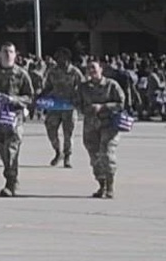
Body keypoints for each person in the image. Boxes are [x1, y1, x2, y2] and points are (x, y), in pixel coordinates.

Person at [0, 43, 36, 197]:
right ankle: (11, 175)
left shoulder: (21, 74)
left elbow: (30, 97)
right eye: (5, 51)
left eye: (11, 52)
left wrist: (14, 100)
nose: (8, 54)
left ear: (15, 55)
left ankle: (10, 183)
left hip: (14, 120)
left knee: (11, 150)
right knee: (3, 151)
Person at [77, 59, 128, 199]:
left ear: (101, 69)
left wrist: (103, 107)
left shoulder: (111, 85)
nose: (91, 71)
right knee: (95, 157)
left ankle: (110, 186)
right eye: (89, 68)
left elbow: (121, 103)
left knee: (106, 154)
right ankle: (101, 184)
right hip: (90, 126)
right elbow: (77, 103)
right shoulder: (83, 88)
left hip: (108, 125)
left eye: (94, 68)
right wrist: (86, 109)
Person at [43, 50, 85, 168]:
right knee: (50, 129)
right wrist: (41, 98)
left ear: (68, 58)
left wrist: (80, 102)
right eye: (58, 58)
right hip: (55, 106)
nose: (60, 60)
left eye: (63, 57)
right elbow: (48, 87)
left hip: (69, 107)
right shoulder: (53, 72)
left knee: (68, 134)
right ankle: (58, 151)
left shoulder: (75, 72)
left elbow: (83, 87)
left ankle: (67, 157)